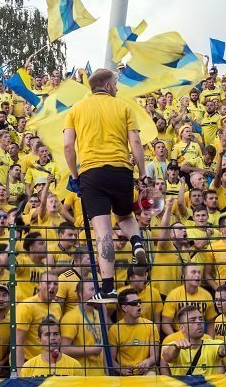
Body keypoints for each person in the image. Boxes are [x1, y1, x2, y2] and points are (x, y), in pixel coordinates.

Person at [63, 68, 148, 302]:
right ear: (108, 86)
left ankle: (108, 288)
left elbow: (68, 147)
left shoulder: (76, 109)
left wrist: (74, 174)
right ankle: (137, 242)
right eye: (116, 83)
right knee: (125, 216)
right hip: (121, 169)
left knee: (103, 232)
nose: (118, 88)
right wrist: (142, 173)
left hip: (92, 172)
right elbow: (136, 142)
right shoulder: (123, 107)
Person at [160, 305, 226, 376]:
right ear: (182, 327)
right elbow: (167, 357)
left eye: (200, 319)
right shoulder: (172, 344)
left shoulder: (212, 344)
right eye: (193, 320)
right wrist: (176, 348)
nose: (199, 322)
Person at [14, 272, 62, 368]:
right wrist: (19, 372)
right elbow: (18, 342)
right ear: (39, 285)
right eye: (48, 283)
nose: (52, 286)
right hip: (29, 364)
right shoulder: (26, 307)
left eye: (55, 284)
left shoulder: (56, 307)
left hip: (49, 363)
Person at [108, 288, 159, 376]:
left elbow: (155, 357)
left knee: (151, 376)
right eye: (134, 303)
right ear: (124, 308)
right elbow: (111, 360)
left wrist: (147, 362)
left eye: (139, 301)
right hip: (125, 374)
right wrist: (122, 370)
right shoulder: (115, 330)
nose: (139, 304)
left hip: (147, 372)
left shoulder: (151, 326)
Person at [60, 280, 106, 375]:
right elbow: (64, 349)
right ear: (81, 294)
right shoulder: (71, 317)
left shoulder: (98, 314)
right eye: (92, 289)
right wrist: (91, 350)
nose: (96, 293)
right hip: (81, 376)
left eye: (97, 289)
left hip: (100, 376)